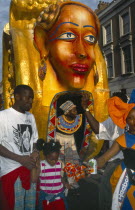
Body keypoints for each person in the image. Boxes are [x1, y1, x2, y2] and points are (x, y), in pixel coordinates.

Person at [0, 85, 38, 209]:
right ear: (17, 96)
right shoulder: (3, 116)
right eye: (28, 98)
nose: (30, 101)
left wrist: (35, 152)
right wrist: (21, 159)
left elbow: (34, 141)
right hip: (12, 171)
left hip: (29, 169)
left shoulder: (30, 117)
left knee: (31, 206)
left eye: (32, 98)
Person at [97, 96, 135, 209]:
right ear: (125, 120)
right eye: (131, 118)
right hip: (124, 180)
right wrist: (86, 168)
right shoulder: (123, 139)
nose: (134, 122)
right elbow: (103, 159)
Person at [81, 92, 128, 161]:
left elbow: (98, 129)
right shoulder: (113, 119)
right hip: (119, 159)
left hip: (118, 160)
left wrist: (85, 108)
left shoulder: (115, 119)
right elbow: (99, 130)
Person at [31, 139, 69, 210]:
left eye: (56, 159)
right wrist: (38, 168)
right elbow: (34, 179)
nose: (54, 162)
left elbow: (59, 176)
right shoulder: (41, 165)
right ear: (45, 156)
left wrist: (64, 183)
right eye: (51, 159)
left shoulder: (59, 164)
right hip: (45, 194)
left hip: (59, 193)